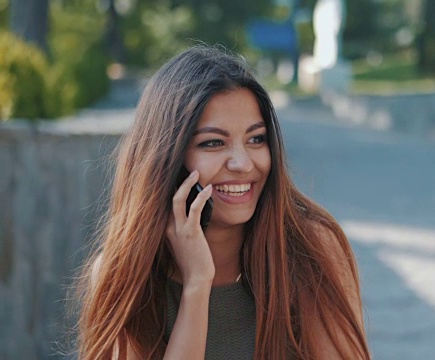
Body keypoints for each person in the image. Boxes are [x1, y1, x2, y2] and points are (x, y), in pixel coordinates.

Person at [74, 45, 371, 359]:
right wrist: (197, 284)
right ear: (167, 159)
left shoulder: (311, 250)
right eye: (213, 143)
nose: (243, 163)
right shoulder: (125, 274)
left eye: (256, 139)